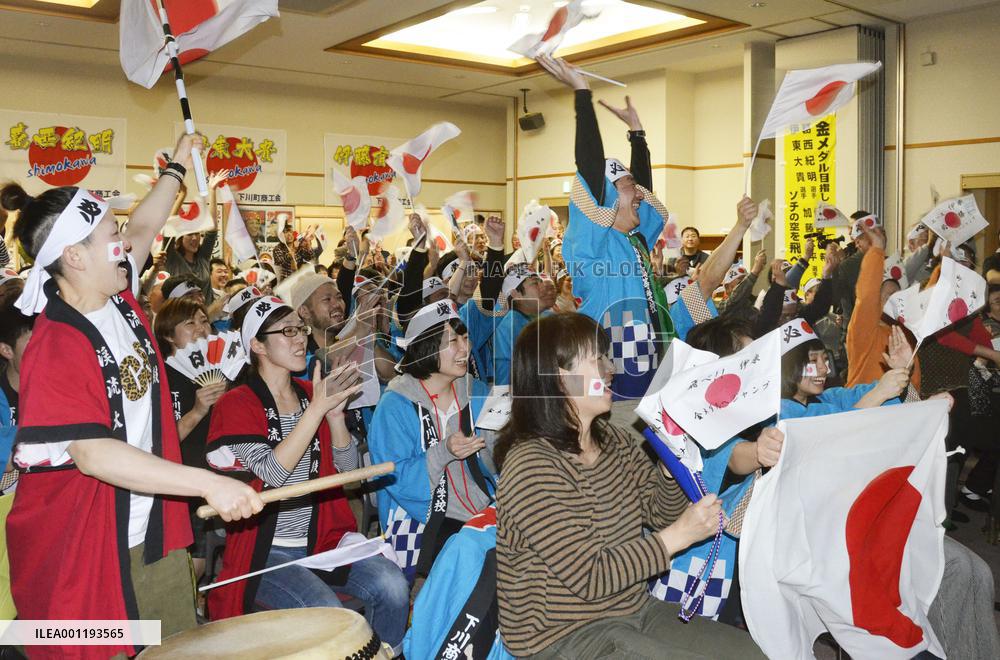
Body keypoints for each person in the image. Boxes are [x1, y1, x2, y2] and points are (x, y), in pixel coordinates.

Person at [2, 134, 262, 660]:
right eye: (111, 234)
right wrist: (208, 483)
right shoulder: (55, 345)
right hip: (82, 546)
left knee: (177, 648)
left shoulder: (117, 293)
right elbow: (94, 454)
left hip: (150, 530)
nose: (125, 241)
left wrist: (176, 166)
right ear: (74, 256)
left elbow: (144, 226)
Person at [495, 313, 764, 658]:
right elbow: (590, 576)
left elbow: (661, 513)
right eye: (598, 360)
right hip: (564, 637)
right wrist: (679, 535)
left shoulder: (614, 441)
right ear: (561, 378)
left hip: (633, 608)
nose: (611, 368)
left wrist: (669, 469)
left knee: (753, 655)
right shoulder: (531, 465)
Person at [205, 295, 410, 654]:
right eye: (287, 332)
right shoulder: (236, 403)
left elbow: (349, 473)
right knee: (328, 615)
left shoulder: (310, 395)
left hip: (321, 542)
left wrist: (335, 418)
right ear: (258, 345)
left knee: (394, 586)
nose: (300, 338)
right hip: (264, 553)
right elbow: (272, 473)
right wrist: (316, 412)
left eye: (300, 329)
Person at [779, 334, 1000, 660]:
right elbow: (818, 436)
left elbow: (895, 409)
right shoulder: (778, 413)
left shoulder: (832, 397)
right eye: (813, 361)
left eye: (825, 359)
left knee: (977, 572)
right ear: (788, 366)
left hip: (878, 522)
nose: (824, 368)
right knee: (953, 571)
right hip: (833, 542)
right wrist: (880, 393)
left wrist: (907, 382)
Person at [369, 301, 498, 580]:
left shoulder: (476, 391)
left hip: (482, 505)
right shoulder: (395, 405)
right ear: (426, 348)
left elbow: (498, 460)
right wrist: (443, 452)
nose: (465, 348)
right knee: (483, 560)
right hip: (422, 516)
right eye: (453, 341)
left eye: (465, 338)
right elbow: (393, 477)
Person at [153, 297, 227, 578]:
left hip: (224, 479)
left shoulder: (224, 369)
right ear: (168, 335)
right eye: (189, 323)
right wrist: (197, 411)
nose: (200, 328)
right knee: (194, 566)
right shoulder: (160, 377)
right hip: (182, 486)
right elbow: (160, 444)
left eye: (204, 321)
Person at [493, 265, 547, 387]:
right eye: (535, 283)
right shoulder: (509, 325)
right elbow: (505, 376)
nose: (542, 287)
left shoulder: (538, 316)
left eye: (541, 282)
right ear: (515, 293)